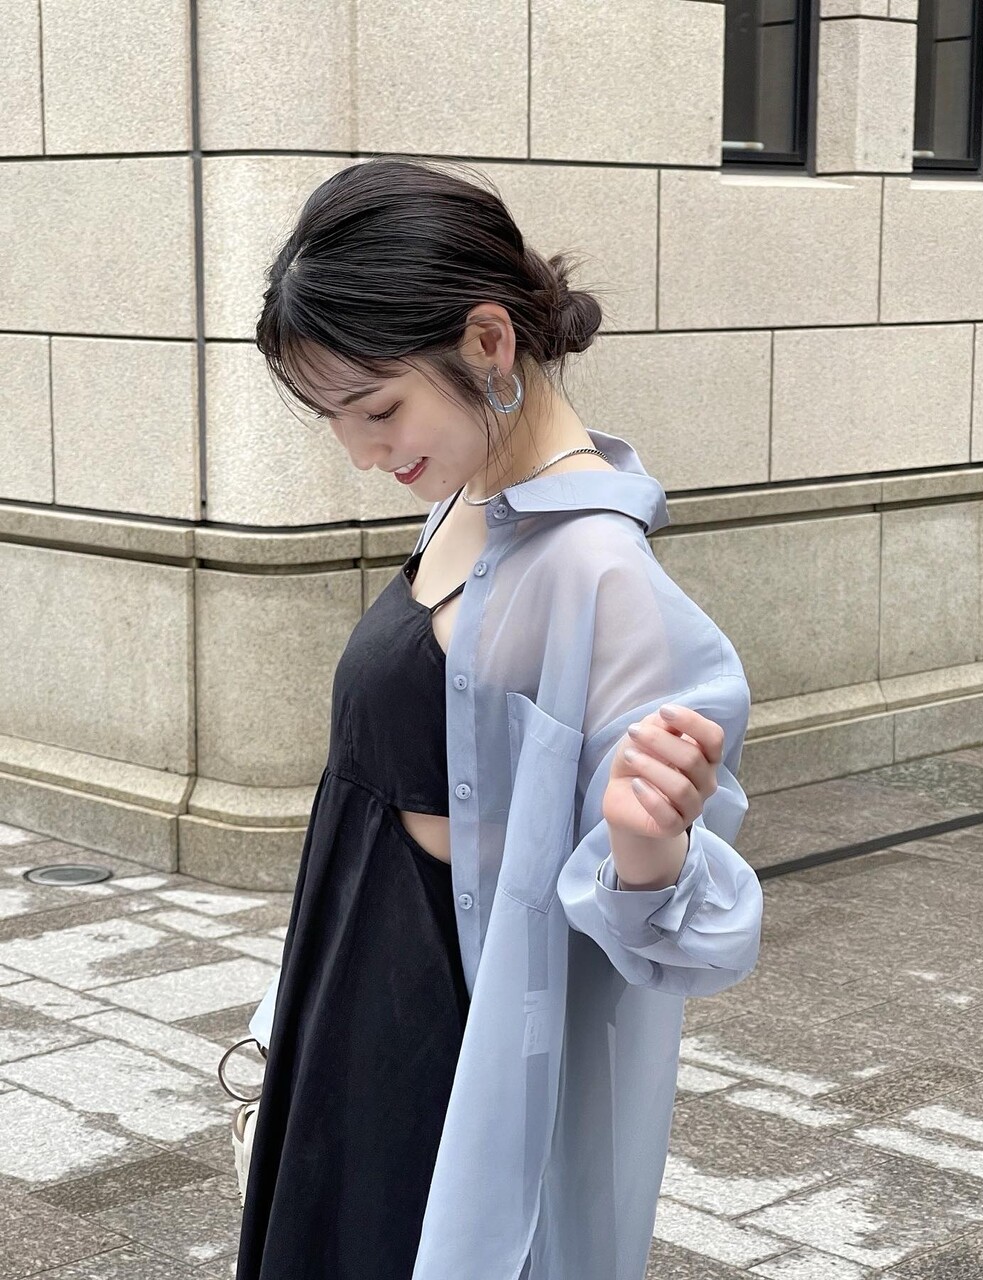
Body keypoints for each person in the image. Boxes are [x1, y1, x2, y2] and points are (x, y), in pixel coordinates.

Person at [235, 156, 763, 1280]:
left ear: (487, 340)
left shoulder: (597, 570)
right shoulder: (471, 495)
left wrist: (648, 848)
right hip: (350, 993)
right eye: (337, 418)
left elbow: (700, 932)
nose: (363, 452)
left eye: (378, 408)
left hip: (437, 1044)